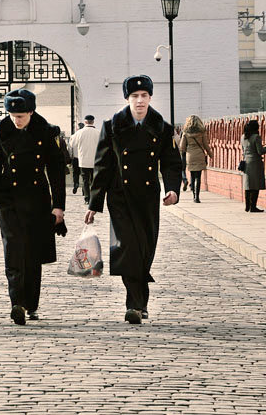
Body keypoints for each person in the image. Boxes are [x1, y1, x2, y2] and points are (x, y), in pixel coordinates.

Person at [84, 75, 182, 324]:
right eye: (135, 96)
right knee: (128, 250)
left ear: (150, 97)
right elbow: (102, 165)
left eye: (144, 96)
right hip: (120, 197)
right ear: (127, 99)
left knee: (145, 250)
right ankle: (135, 305)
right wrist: (95, 203)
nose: (140, 101)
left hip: (148, 197)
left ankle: (140, 301)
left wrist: (172, 190)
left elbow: (171, 163)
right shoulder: (113, 125)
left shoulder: (162, 127)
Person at [0, 89, 67, 324]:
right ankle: (16, 302)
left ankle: (32, 304)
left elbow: (57, 170)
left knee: (33, 253)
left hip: (37, 199)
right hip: (8, 200)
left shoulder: (45, 132)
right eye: (12, 116)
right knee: (13, 250)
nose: (16, 121)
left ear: (31, 111)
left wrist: (58, 206)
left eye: (21, 116)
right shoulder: (0, 133)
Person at [241, 119, 266, 213]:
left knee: (248, 185)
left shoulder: (243, 137)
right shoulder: (256, 137)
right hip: (255, 163)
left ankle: (247, 206)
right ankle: (253, 207)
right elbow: (260, 151)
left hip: (246, 162)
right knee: (255, 185)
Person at [179, 115, 210, 204]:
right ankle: (197, 197)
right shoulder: (202, 132)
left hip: (190, 156)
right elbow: (206, 145)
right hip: (199, 155)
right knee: (198, 177)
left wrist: (187, 150)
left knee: (192, 176)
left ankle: (193, 196)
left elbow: (182, 147)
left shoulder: (185, 133)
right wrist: (211, 155)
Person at [70, 115, 99, 204]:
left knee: (85, 180)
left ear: (85, 122)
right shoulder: (98, 132)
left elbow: (72, 144)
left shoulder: (79, 132)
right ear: (93, 122)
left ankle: (87, 198)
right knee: (95, 181)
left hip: (83, 160)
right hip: (95, 160)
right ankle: (95, 198)